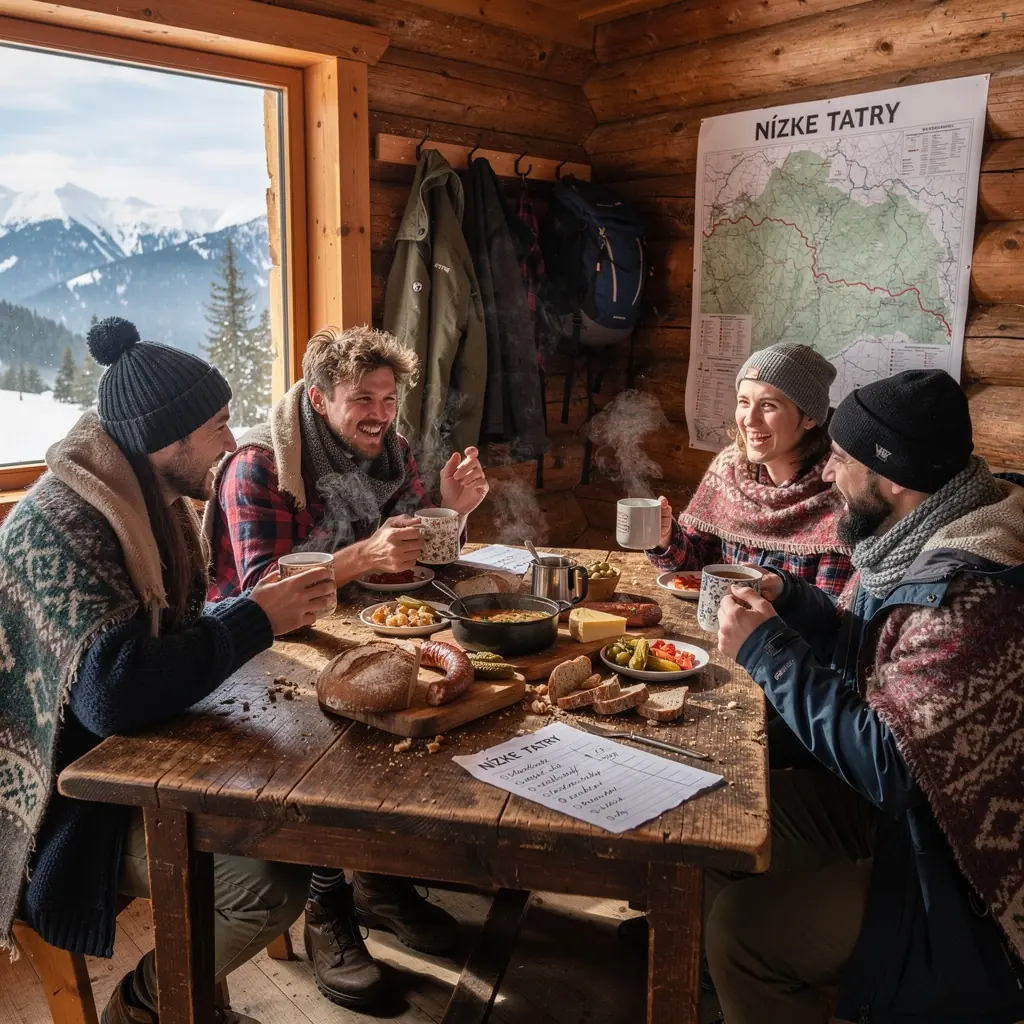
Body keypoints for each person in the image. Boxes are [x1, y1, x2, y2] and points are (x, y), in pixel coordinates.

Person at [0, 317, 337, 1024]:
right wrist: (255, 620)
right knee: (269, 881)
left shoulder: (148, 498)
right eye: (217, 426)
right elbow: (112, 695)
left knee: (293, 809)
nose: (231, 441)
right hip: (53, 811)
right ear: (165, 439)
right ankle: (148, 1005)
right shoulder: (67, 522)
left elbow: (171, 637)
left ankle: (192, 1001)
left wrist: (254, 610)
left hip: (123, 759)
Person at [713, 368, 1024, 1024]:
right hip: (913, 823)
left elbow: (892, 765)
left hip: (960, 874)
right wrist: (798, 603)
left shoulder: (969, 594)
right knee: (722, 819)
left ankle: (756, 978)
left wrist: (767, 652)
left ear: (894, 477)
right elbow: (883, 658)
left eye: (842, 460)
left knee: (740, 930)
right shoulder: (922, 534)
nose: (828, 474)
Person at [207, 323, 490, 1009]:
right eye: (363, 398)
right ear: (319, 397)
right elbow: (263, 592)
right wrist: (364, 556)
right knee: (324, 745)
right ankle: (325, 903)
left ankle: (379, 882)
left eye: (390, 399)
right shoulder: (260, 464)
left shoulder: (391, 450)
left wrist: (450, 512)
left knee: (422, 712)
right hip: (256, 655)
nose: (381, 414)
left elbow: (410, 549)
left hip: (358, 628)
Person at [646, 342, 853, 600]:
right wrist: (666, 538)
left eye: (768, 405)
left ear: (809, 417)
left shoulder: (841, 489)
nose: (749, 419)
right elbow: (694, 571)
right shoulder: (728, 468)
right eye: (743, 402)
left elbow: (833, 610)